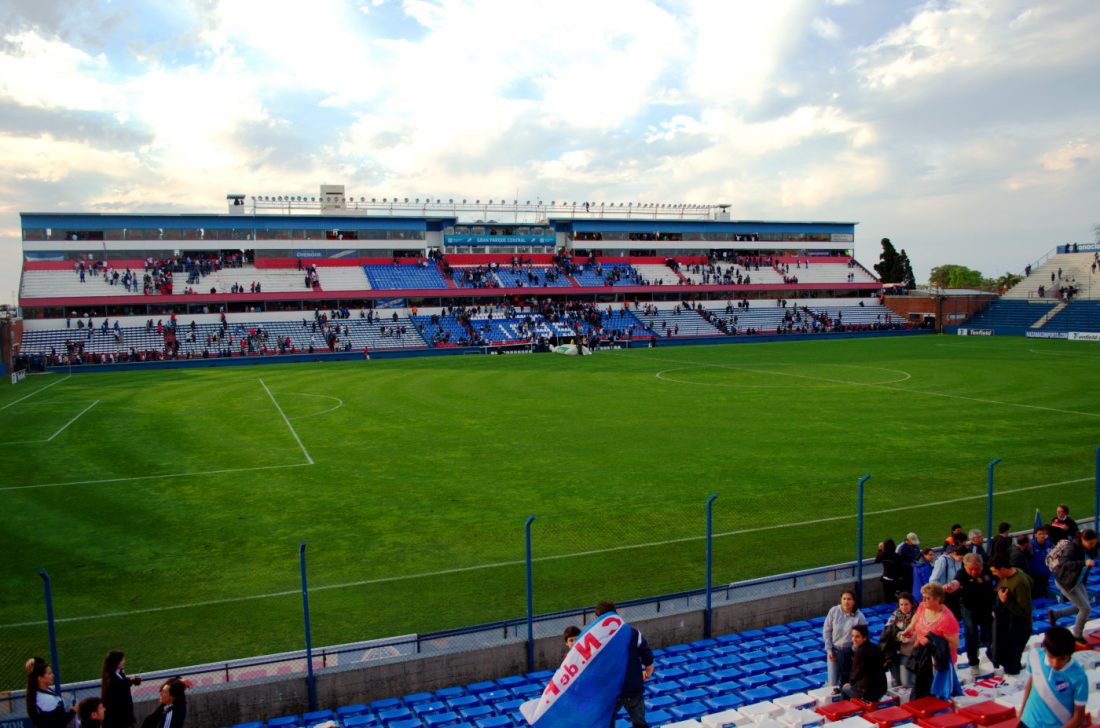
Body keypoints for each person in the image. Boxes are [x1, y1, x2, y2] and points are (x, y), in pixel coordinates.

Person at [594, 601, 653, 728]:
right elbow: (645, 651)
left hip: (611, 690)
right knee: (639, 722)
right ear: (616, 613)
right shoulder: (632, 632)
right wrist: (648, 668)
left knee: (607, 722)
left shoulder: (596, 639)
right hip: (632, 687)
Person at [1019, 627, 1088, 728]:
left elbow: (1079, 718)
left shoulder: (1079, 677)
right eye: (1051, 657)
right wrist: (1022, 713)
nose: (1056, 663)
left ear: (1070, 654)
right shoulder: (1034, 656)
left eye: (1062, 659)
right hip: (1028, 722)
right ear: (1045, 649)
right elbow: (1031, 683)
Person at [900, 582, 960, 699]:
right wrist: (910, 628)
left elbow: (953, 645)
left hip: (937, 662)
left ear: (937, 599)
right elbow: (916, 617)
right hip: (922, 656)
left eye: (928, 598)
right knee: (919, 688)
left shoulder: (947, 619)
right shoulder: (923, 606)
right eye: (923, 597)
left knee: (935, 694)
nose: (924, 600)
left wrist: (931, 642)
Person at [1048, 528, 1099, 645]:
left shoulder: (1089, 547)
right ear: (1082, 540)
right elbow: (1064, 563)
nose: (1092, 546)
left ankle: (1055, 615)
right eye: (1090, 543)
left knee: (1080, 607)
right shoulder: (1072, 547)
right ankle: (1077, 635)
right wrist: (1083, 563)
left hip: (1078, 580)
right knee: (1086, 608)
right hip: (1066, 582)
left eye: (1094, 543)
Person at [989, 554, 1032, 676]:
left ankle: (1015, 680)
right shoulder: (1016, 573)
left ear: (1002, 568)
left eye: (995, 571)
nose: (994, 574)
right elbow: (1031, 581)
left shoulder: (1019, 582)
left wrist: (1005, 601)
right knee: (1003, 655)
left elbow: (1024, 611)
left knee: (1012, 661)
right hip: (1011, 626)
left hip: (1020, 627)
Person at [954, 553, 994, 678]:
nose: (973, 572)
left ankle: (991, 653)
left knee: (990, 632)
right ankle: (973, 663)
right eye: (970, 569)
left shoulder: (988, 569)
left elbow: (1000, 576)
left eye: (977, 569)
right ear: (965, 566)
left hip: (986, 606)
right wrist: (952, 586)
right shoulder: (961, 574)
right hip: (969, 608)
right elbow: (956, 582)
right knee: (971, 633)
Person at [823, 590, 867, 692]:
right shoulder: (834, 611)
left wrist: (854, 651)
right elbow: (827, 630)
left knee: (847, 681)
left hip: (850, 652)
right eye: (844, 599)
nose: (846, 601)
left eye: (849, 599)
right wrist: (829, 650)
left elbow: (863, 635)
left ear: (854, 601)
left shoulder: (859, 616)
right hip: (834, 650)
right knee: (832, 682)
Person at [25, 656, 75, 728]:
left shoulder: (41, 692)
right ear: (40, 678)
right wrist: (73, 711)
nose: (53, 675)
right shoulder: (46, 699)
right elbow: (58, 723)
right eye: (49, 673)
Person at [843, 625, 887, 702]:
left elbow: (855, 672)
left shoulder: (860, 652)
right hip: (882, 688)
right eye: (852, 636)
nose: (854, 639)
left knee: (844, 689)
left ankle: (845, 711)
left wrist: (850, 683)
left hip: (867, 692)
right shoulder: (875, 647)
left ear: (864, 637)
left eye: (857, 637)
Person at [881, 592, 916, 688]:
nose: (904, 607)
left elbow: (909, 638)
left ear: (911, 604)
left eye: (906, 604)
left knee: (906, 683)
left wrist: (900, 635)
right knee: (896, 683)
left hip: (909, 654)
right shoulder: (894, 616)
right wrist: (898, 635)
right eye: (901, 604)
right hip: (894, 654)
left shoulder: (916, 617)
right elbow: (886, 633)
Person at [101, 650, 142, 728]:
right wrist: (131, 681)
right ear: (116, 662)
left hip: (124, 716)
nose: (124, 661)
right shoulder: (111, 678)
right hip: (117, 719)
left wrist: (131, 681)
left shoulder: (119, 673)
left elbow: (122, 684)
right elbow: (119, 686)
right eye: (122, 660)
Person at [930, 544, 967, 618]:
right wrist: (941, 588)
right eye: (961, 557)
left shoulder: (958, 561)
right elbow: (933, 579)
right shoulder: (942, 561)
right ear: (954, 553)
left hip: (955, 592)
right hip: (945, 593)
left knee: (957, 615)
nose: (962, 560)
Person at [876, 538, 907, 603]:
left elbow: (877, 560)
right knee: (896, 598)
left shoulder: (883, 555)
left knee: (888, 597)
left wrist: (880, 549)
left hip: (886, 579)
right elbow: (901, 567)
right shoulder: (897, 556)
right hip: (896, 580)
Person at [1029, 526, 1053, 599]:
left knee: (1045, 593)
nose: (1042, 536)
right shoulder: (1031, 545)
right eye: (1040, 534)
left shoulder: (1049, 544)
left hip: (1046, 574)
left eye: (1043, 534)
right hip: (1035, 576)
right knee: (1036, 595)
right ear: (1035, 535)